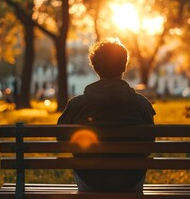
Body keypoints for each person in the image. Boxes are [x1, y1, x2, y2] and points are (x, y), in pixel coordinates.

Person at [57, 38, 155, 192]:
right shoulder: (142, 104)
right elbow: (149, 146)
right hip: (130, 180)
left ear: (95, 67)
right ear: (124, 66)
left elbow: (61, 141)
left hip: (89, 179)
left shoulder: (76, 105)